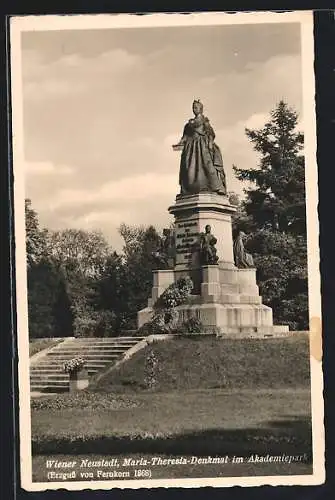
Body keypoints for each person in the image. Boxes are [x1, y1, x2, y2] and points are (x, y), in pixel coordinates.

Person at [172, 100, 227, 196]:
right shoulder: (188, 124)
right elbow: (185, 137)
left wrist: (209, 143)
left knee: (208, 167)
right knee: (190, 170)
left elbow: (211, 133)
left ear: (201, 109)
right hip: (191, 149)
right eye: (193, 108)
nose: (194, 109)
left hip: (202, 147)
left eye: (196, 107)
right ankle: (191, 189)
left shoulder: (204, 121)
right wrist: (179, 144)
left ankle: (217, 187)